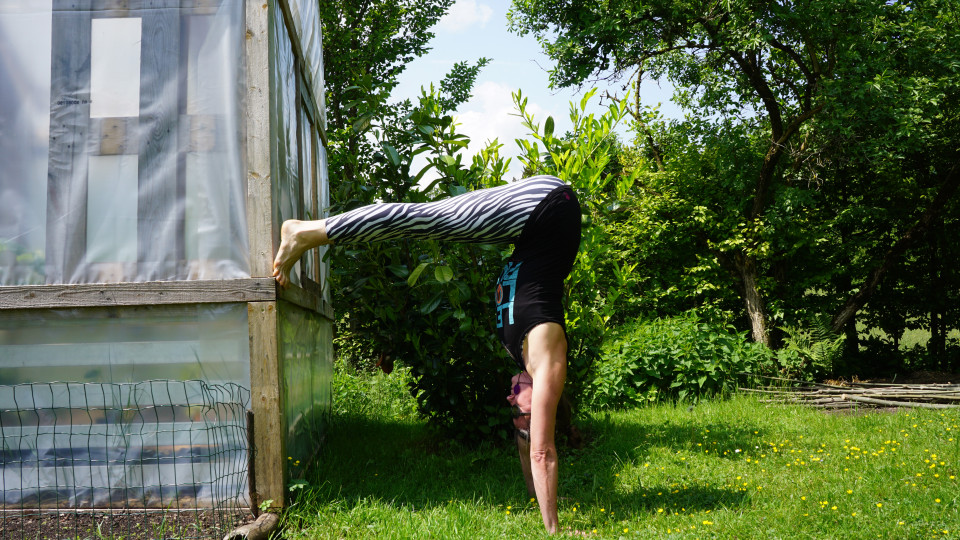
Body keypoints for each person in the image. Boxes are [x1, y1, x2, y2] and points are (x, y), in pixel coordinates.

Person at [272, 175, 581, 533]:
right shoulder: (548, 362)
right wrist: (555, 530)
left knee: (430, 224)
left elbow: (529, 446)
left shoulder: (522, 355)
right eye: (521, 409)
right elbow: (542, 452)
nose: (513, 403)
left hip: (535, 226)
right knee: (427, 219)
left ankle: (311, 232)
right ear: (543, 400)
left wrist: (535, 499)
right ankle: (306, 232)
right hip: (550, 205)